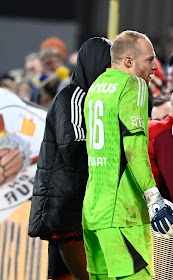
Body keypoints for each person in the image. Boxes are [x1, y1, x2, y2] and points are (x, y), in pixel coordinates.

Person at [82, 30, 173, 280]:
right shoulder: (133, 84)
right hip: (123, 213)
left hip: (93, 211)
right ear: (129, 61)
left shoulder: (96, 87)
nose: (155, 66)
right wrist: (154, 199)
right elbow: (133, 149)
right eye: (149, 59)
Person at [28, 37, 112, 280]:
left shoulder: (95, 98)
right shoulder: (74, 95)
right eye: (109, 64)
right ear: (95, 63)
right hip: (67, 204)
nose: (112, 72)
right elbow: (73, 145)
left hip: (78, 204)